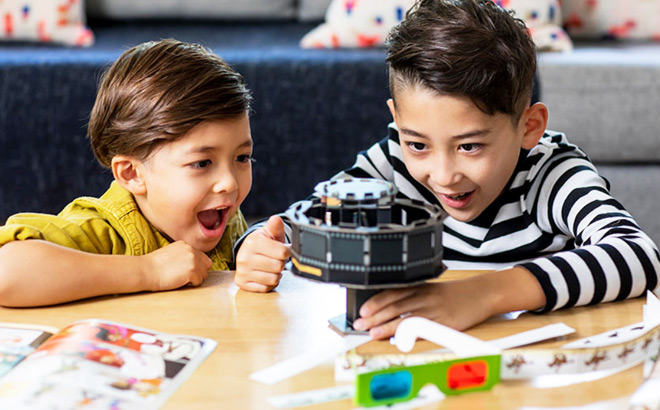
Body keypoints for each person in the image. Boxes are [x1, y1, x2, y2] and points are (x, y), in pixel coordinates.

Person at [234, 0, 660, 340]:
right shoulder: (394, 162)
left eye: (470, 146)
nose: (443, 174)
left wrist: (483, 294)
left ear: (529, 127)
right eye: (418, 143)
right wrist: (256, 245)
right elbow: (300, 221)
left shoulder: (552, 174)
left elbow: (639, 255)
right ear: (397, 120)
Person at [0, 39, 254, 307]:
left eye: (241, 157)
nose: (229, 182)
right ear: (132, 173)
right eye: (202, 163)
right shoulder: (100, 229)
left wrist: (255, 253)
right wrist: (149, 271)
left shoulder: (222, 218)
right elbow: (7, 272)